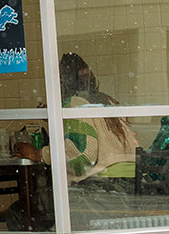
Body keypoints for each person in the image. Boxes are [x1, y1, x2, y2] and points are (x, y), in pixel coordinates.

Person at [50, 51, 140, 187]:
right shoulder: (108, 100)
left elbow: (85, 157)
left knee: (41, 200)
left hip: (107, 182)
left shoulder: (75, 104)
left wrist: (42, 154)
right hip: (134, 178)